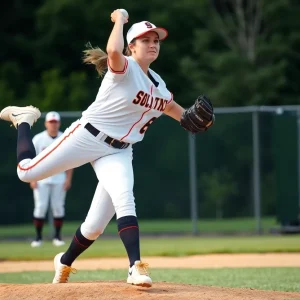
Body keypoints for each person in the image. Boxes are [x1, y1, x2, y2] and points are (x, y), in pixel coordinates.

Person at [0, 9, 214, 287]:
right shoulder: (124, 67)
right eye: (145, 39)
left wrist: (194, 121)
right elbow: (113, 49)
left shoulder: (160, 85)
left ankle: (89, 264)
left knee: (98, 223)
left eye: (156, 40)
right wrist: (121, 19)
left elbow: (177, 112)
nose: (152, 44)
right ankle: (25, 119)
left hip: (119, 151)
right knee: (26, 172)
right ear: (131, 46)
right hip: (87, 137)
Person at [30, 111, 73, 248]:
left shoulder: (64, 138)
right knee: (40, 207)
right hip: (41, 179)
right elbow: (30, 159)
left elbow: (70, 160)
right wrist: (32, 178)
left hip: (59, 178)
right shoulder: (38, 139)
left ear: (59, 123)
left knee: (58, 207)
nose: (53, 124)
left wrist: (68, 179)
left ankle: (57, 237)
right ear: (46, 123)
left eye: (55, 122)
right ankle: (38, 238)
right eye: (51, 122)